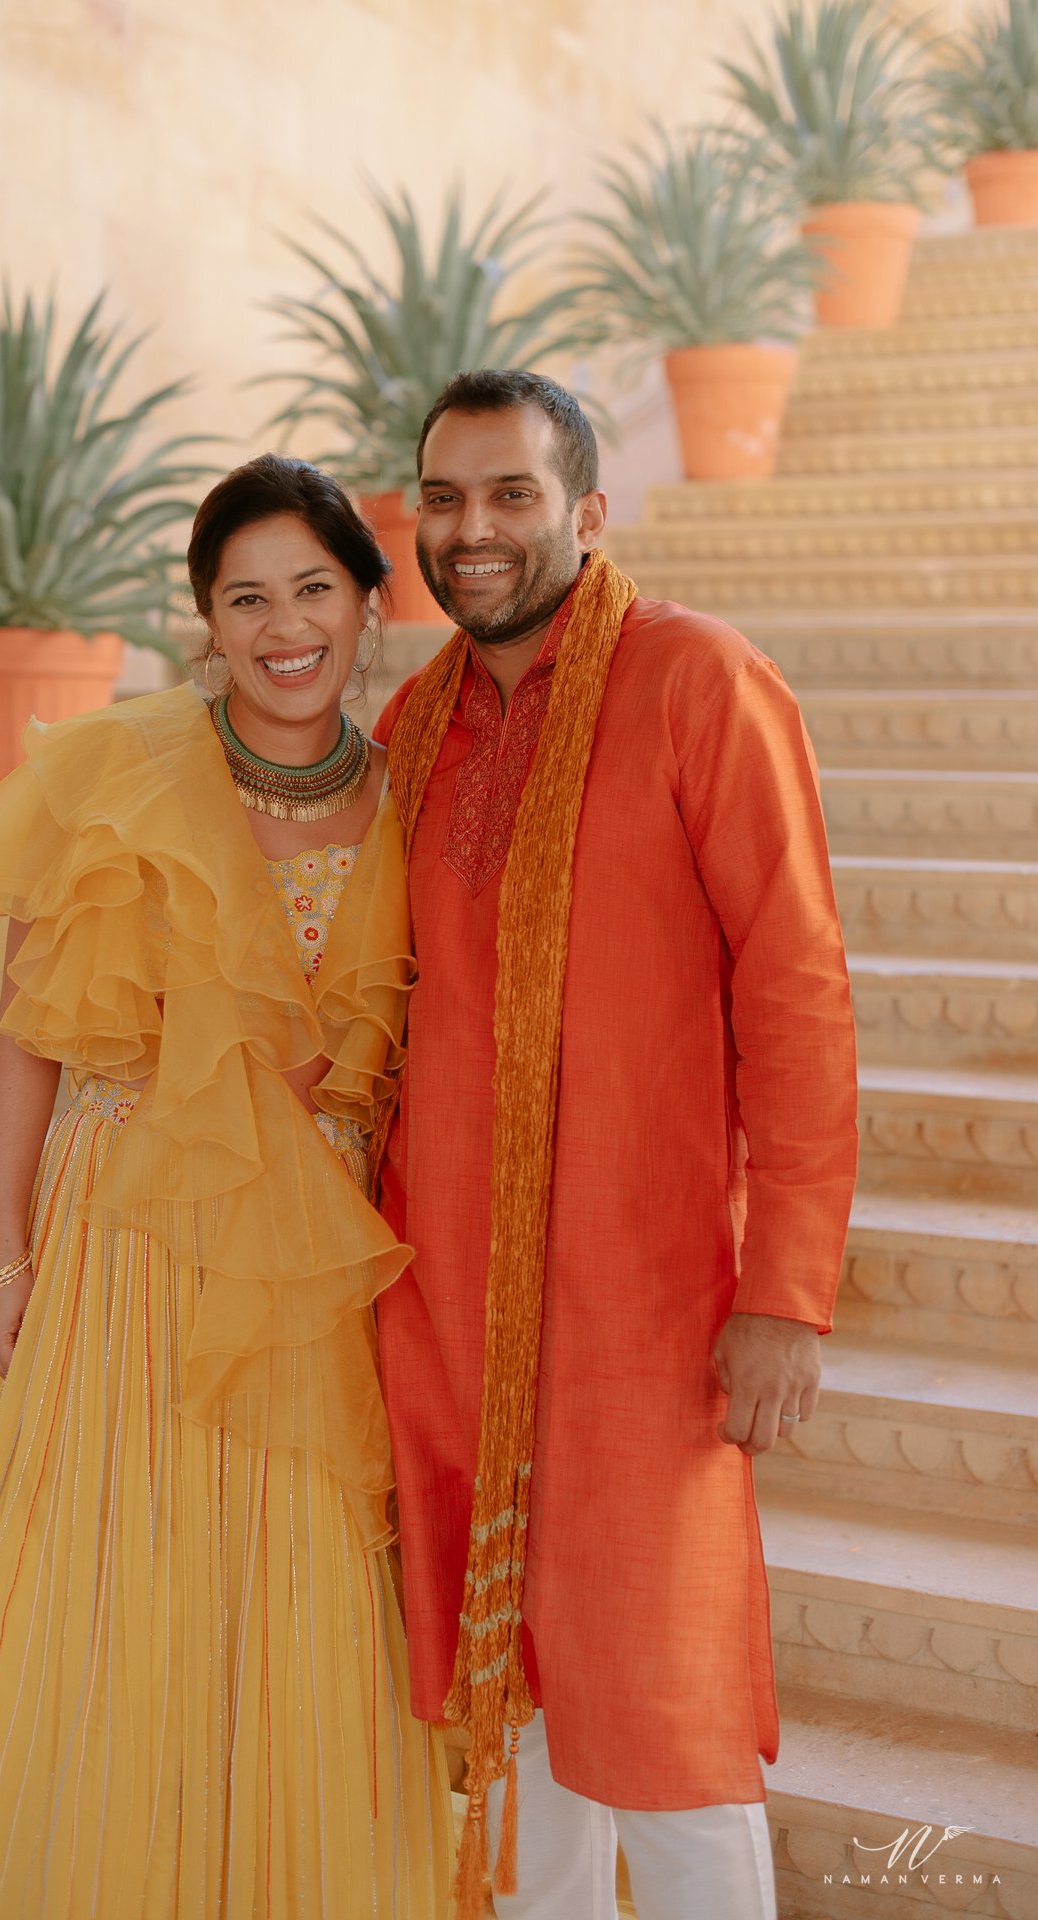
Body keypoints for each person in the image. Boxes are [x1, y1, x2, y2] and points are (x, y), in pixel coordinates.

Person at [0, 454, 453, 1920]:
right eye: (244, 597)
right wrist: (2, 1262)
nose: (282, 625)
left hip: (314, 1268)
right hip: (126, 1252)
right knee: (113, 1582)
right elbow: (24, 1052)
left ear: (370, 603)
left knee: (298, 1592)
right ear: (203, 621)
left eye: (313, 587)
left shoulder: (419, 795)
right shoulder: (118, 774)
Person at [372, 370, 858, 1920]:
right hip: (442, 1307)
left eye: (511, 495)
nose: (473, 530)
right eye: (444, 499)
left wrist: (782, 1286)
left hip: (640, 1312)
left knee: (659, 1712)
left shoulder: (697, 680)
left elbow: (795, 987)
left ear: (587, 511)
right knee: (506, 1716)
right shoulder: (415, 719)